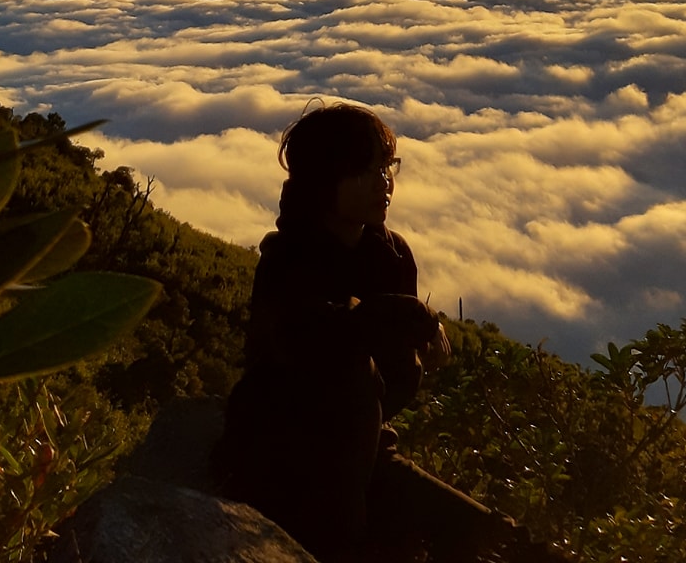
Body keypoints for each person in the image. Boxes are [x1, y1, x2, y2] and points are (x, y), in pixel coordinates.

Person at [215, 103, 525, 563]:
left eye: (387, 166)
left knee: (496, 541)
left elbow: (392, 383)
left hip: (366, 458)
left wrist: (408, 341)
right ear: (326, 179)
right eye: (367, 170)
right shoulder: (286, 260)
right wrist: (407, 318)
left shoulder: (391, 256)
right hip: (281, 458)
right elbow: (310, 343)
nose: (385, 182)